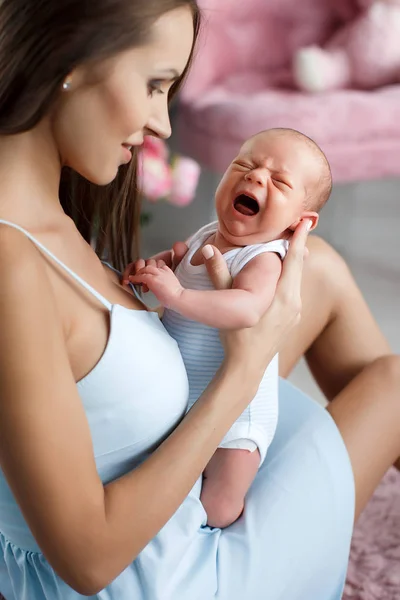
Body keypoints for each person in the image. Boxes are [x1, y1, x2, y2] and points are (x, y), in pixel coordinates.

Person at [0, 1, 399, 600]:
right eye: (156, 84)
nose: (164, 124)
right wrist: (242, 373)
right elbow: (89, 562)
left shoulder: (46, 215)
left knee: (318, 272)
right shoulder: (14, 264)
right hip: (173, 574)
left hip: (171, 481)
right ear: (71, 62)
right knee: (394, 382)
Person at [125, 127, 332, 529]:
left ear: (299, 222)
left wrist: (177, 298)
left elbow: (247, 308)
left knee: (219, 502)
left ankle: (223, 535)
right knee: (175, 466)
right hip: (191, 395)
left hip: (240, 418)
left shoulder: (265, 257)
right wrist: (157, 267)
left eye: (280, 181)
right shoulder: (207, 233)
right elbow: (184, 265)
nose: (255, 177)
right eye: (245, 165)